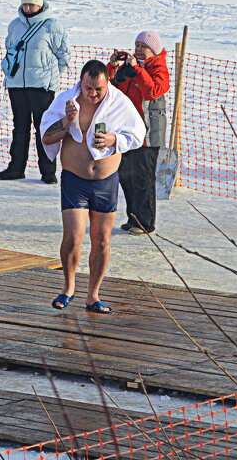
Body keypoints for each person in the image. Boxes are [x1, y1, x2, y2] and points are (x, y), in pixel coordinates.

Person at [41, 60, 144, 314]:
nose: (93, 94)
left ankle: (93, 295)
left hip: (106, 182)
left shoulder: (119, 103)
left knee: (101, 241)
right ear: (81, 82)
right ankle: (68, 288)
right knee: (74, 236)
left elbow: (138, 135)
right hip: (75, 180)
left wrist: (113, 139)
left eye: (98, 89)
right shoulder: (67, 101)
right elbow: (46, 136)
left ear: (107, 82)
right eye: (88, 88)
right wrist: (67, 121)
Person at [0, 0, 70, 185]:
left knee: (44, 128)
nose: (28, 8)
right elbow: (9, 48)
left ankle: (48, 171)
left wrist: (50, 79)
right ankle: (16, 167)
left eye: (32, 4)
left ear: (40, 4)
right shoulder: (15, 25)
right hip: (16, 86)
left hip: (41, 88)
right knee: (19, 127)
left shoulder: (52, 26)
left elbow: (63, 55)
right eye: (25, 4)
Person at [107, 31, 170, 235]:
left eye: (143, 46)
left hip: (147, 135)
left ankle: (145, 222)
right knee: (127, 177)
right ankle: (133, 217)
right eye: (136, 45)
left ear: (154, 49)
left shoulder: (159, 69)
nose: (138, 50)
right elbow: (109, 86)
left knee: (143, 179)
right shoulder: (130, 67)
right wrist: (113, 66)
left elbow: (152, 91)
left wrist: (137, 69)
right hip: (126, 131)